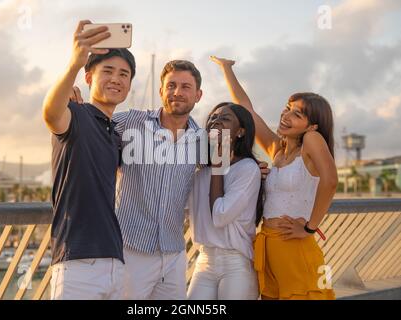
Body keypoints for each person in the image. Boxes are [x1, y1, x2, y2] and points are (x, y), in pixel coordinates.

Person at [71, 59, 270, 300]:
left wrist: (258, 168)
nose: (177, 92)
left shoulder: (202, 141)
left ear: (198, 95)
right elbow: (92, 127)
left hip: (174, 256)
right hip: (131, 250)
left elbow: (230, 163)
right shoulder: (131, 123)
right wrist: (77, 104)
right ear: (161, 91)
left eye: (186, 87)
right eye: (171, 85)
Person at [211, 56, 337, 300]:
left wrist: (311, 227)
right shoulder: (276, 150)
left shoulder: (311, 141)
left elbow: (331, 181)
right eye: (287, 108)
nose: (286, 115)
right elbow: (247, 111)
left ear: (312, 126)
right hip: (267, 246)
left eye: (297, 114)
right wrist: (227, 69)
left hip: (295, 247)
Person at [42, 20, 136, 299]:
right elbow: (50, 113)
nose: (116, 79)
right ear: (88, 77)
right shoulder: (75, 115)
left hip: (115, 264)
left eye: (124, 74)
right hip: (77, 264)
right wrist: (73, 65)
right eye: (107, 71)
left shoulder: (115, 133)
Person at [187, 102, 263, 300]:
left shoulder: (247, 169)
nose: (216, 122)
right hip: (204, 260)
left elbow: (220, 215)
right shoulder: (199, 171)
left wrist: (218, 168)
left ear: (240, 132)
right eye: (213, 118)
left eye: (225, 118)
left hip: (235, 262)